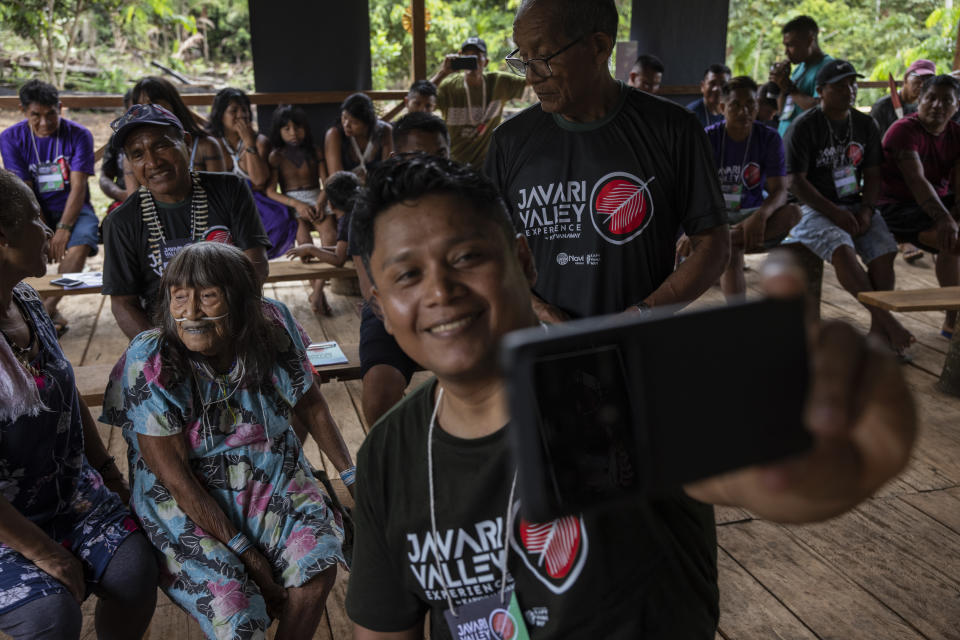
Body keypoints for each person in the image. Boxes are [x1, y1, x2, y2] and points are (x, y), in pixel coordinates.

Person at [343, 153, 916, 639]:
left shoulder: (626, 382)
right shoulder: (389, 456)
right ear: (379, 307)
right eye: (407, 276)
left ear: (522, 260)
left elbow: (758, 480)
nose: (441, 290)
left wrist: (815, 461)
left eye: (466, 257)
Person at [100, 241, 354, 638]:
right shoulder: (151, 359)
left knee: (315, 562)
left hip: (268, 468)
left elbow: (311, 404)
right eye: (179, 298)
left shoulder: (270, 325)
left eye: (209, 297)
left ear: (241, 301)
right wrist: (250, 557)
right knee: (237, 611)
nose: (192, 313)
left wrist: (352, 476)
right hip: (183, 495)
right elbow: (175, 478)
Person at [487, 0, 730, 325]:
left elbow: (713, 245)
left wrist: (641, 315)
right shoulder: (510, 141)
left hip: (640, 346)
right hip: (540, 345)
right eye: (523, 58)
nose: (531, 77)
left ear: (599, 47)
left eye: (543, 57)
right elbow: (487, 250)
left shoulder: (673, 129)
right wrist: (539, 311)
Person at [0, 169, 158, 640]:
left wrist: (110, 475)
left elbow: (65, 399)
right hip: (7, 526)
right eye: (35, 218)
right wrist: (44, 553)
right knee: (50, 617)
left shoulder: (27, 301)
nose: (48, 230)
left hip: (69, 494)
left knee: (136, 571)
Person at [101, 104, 271, 340]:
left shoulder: (231, 189)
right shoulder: (121, 222)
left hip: (232, 321)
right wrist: (160, 351)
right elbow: (123, 304)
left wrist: (229, 325)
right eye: (138, 154)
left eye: (161, 145)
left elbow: (256, 263)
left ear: (187, 142)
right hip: (165, 332)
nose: (152, 162)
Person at [783, 59, 913, 356]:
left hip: (855, 203)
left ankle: (878, 333)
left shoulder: (865, 124)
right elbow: (797, 183)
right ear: (820, 91)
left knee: (884, 250)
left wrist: (867, 209)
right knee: (842, 249)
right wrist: (835, 213)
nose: (849, 90)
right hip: (809, 208)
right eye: (839, 86)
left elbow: (873, 174)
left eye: (852, 84)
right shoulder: (804, 127)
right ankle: (889, 323)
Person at [0, 80, 99, 335]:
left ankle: (44, 311)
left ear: (60, 108)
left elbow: (78, 188)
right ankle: (38, 311)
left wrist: (64, 229)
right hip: (34, 208)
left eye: (50, 114)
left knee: (81, 243)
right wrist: (43, 227)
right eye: (36, 115)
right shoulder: (10, 138)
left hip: (73, 207)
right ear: (23, 110)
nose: (44, 123)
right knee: (19, 244)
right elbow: (24, 192)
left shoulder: (79, 134)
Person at [878, 74, 960, 338]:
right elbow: (917, 181)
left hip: (935, 204)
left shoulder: (956, 134)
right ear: (919, 101)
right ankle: (953, 318)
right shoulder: (903, 130)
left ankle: (952, 319)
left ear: (957, 106)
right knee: (952, 241)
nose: (938, 105)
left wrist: (954, 213)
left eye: (946, 100)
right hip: (895, 207)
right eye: (931, 98)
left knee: (952, 236)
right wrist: (947, 219)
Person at [704, 76, 801, 298]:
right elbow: (696, 190)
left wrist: (760, 215)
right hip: (716, 216)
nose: (744, 111)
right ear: (721, 107)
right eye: (735, 105)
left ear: (757, 106)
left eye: (750, 105)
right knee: (734, 252)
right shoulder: (709, 137)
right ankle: (727, 240)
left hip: (752, 217)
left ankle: (724, 241)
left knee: (794, 212)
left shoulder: (769, 138)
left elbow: (780, 190)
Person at [208, 88, 299, 258]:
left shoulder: (260, 141)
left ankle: (254, 263)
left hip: (252, 199)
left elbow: (258, 181)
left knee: (278, 220)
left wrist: (249, 142)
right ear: (221, 114)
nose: (241, 115)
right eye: (234, 111)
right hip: (221, 200)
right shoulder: (211, 142)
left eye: (245, 110)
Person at [433, 36, 528, 167]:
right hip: (454, 165)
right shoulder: (449, 87)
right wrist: (443, 73)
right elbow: (419, 98)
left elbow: (533, 79)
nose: (473, 61)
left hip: (488, 166)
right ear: (460, 57)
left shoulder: (499, 82)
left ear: (486, 62)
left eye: (477, 56)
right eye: (467, 56)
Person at [265, 104, 333, 249]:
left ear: (306, 129)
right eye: (287, 129)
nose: (293, 133)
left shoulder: (315, 152)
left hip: (317, 199)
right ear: (279, 131)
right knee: (304, 247)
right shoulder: (276, 156)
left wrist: (320, 203)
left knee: (331, 241)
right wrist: (297, 205)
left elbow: (327, 182)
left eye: (298, 128)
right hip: (292, 204)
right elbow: (270, 191)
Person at [130, 76, 225, 173]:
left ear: (172, 104)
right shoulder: (135, 152)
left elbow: (220, 186)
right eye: (141, 106)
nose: (147, 111)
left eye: (154, 104)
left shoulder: (206, 146)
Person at [770, 15, 833, 137]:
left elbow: (821, 109)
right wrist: (780, 85)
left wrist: (790, 88)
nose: (786, 52)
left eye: (791, 45)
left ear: (810, 40)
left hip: (805, 143)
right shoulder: (799, 68)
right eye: (785, 45)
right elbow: (782, 111)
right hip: (786, 137)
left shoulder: (828, 67)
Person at [325, 93, 393, 181]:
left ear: (368, 123)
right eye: (344, 117)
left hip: (376, 189)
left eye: (354, 122)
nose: (346, 125)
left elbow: (386, 172)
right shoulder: (334, 134)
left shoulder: (384, 131)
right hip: (345, 191)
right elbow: (336, 178)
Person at [871, 59, 936, 138]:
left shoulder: (923, 108)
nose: (922, 84)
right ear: (905, 78)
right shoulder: (882, 107)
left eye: (928, 80)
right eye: (919, 78)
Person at [99, 88, 136, 217]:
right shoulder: (118, 137)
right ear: (126, 111)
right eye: (135, 110)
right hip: (125, 202)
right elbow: (104, 177)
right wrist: (121, 194)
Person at [686, 64, 731, 128]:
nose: (717, 89)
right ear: (702, 86)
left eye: (723, 84)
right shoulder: (690, 115)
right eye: (712, 83)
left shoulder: (732, 113)